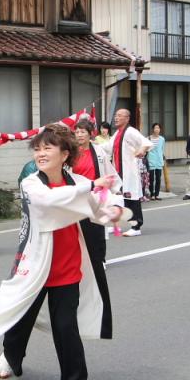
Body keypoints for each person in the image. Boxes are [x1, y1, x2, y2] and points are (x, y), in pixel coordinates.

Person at [0, 124, 124, 380]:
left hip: (68, 267)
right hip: (34, 266)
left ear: (64, 153)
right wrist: (91, 186)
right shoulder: (32, 183)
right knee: (21, 319)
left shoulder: (78, 182)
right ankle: (11, 355)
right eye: (38, 148)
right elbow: (51, 202)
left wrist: (117, 211)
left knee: (65, 326)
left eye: (48, 148)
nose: (40, 153)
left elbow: (98, 210)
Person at [71, 118, 121, 339]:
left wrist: (116, 191)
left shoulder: (98, 151)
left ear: (91, 134)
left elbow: (109, 171)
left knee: (97, 230)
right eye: (77, 131)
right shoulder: (70, 152)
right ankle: (81, 260)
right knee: (78, 231)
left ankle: (98, 258)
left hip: (97, 196)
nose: (80, 135)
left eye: (83, 131)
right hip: (78, 197)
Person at [109, 108, 152, 236]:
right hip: (118, 171)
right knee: (117, 199)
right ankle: (116, 224)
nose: (116, 118)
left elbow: (145, 142)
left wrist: (142, 149)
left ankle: (136, 226)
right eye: (116, 115)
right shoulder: (117, 133)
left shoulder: (131, 131)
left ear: (127, 118)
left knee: (131, 199)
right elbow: (107, 147)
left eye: (119, 115)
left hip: (128, 172)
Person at [145, 122, 165, 200]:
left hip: (159, 161)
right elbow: (146, 149)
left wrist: (162, 158)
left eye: (158, 128)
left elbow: (162, 149)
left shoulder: (162, 139)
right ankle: (152, 194)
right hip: (151, 160)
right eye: (155, 128)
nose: (157, 129)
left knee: (158, 178)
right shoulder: (148, 138)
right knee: (151, 178)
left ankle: (157, 194)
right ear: (153, 129)